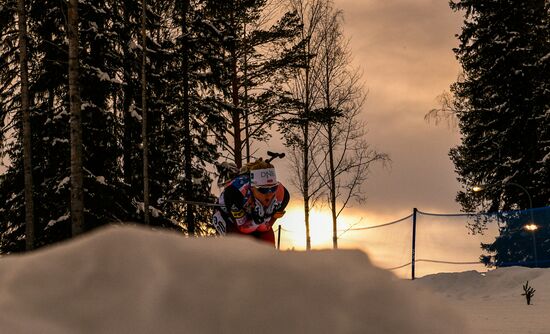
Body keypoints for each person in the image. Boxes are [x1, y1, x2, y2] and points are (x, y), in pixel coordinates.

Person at [212, 158, 290, 246]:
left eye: (273, 188)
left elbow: (265, 228)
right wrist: (257, 221)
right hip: (227, 215)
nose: (269, 194)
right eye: (263, 190)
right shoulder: (235, 193)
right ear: (252, 188)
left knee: (268, 246)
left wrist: (263, 219)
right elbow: (242, 228)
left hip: (251, 215)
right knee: (240, 247)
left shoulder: (283, 195)